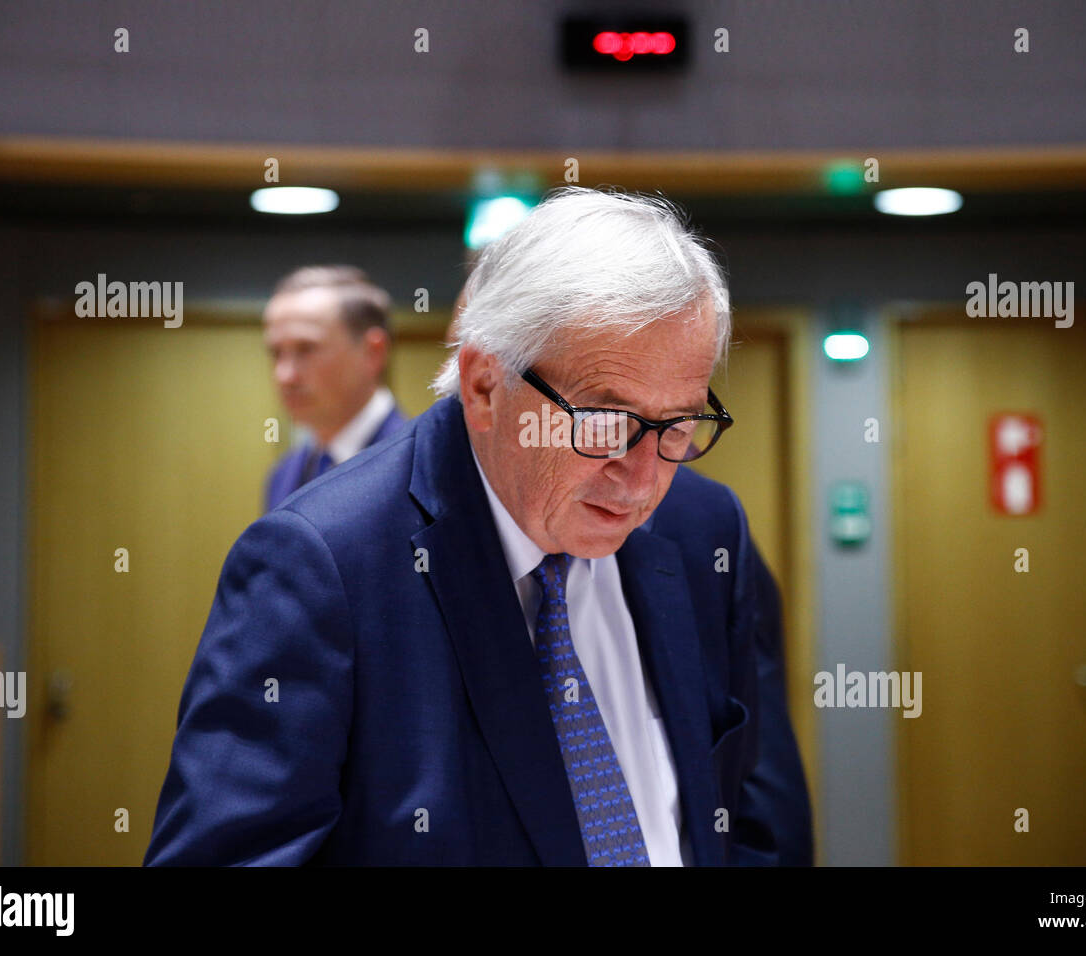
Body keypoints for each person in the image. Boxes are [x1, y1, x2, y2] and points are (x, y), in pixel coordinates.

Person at [145, 187, 812, 866]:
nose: (642, 480)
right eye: (605, 422)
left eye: (677, 424)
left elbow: (753, 825)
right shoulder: (322, 566)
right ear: (485, 387)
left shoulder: (704, 532)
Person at [261, 265, 407, 510]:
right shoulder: (282, 475)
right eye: (276, 353)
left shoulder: (422, 466)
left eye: (306, 349)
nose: (285, 376)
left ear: (373, 352)